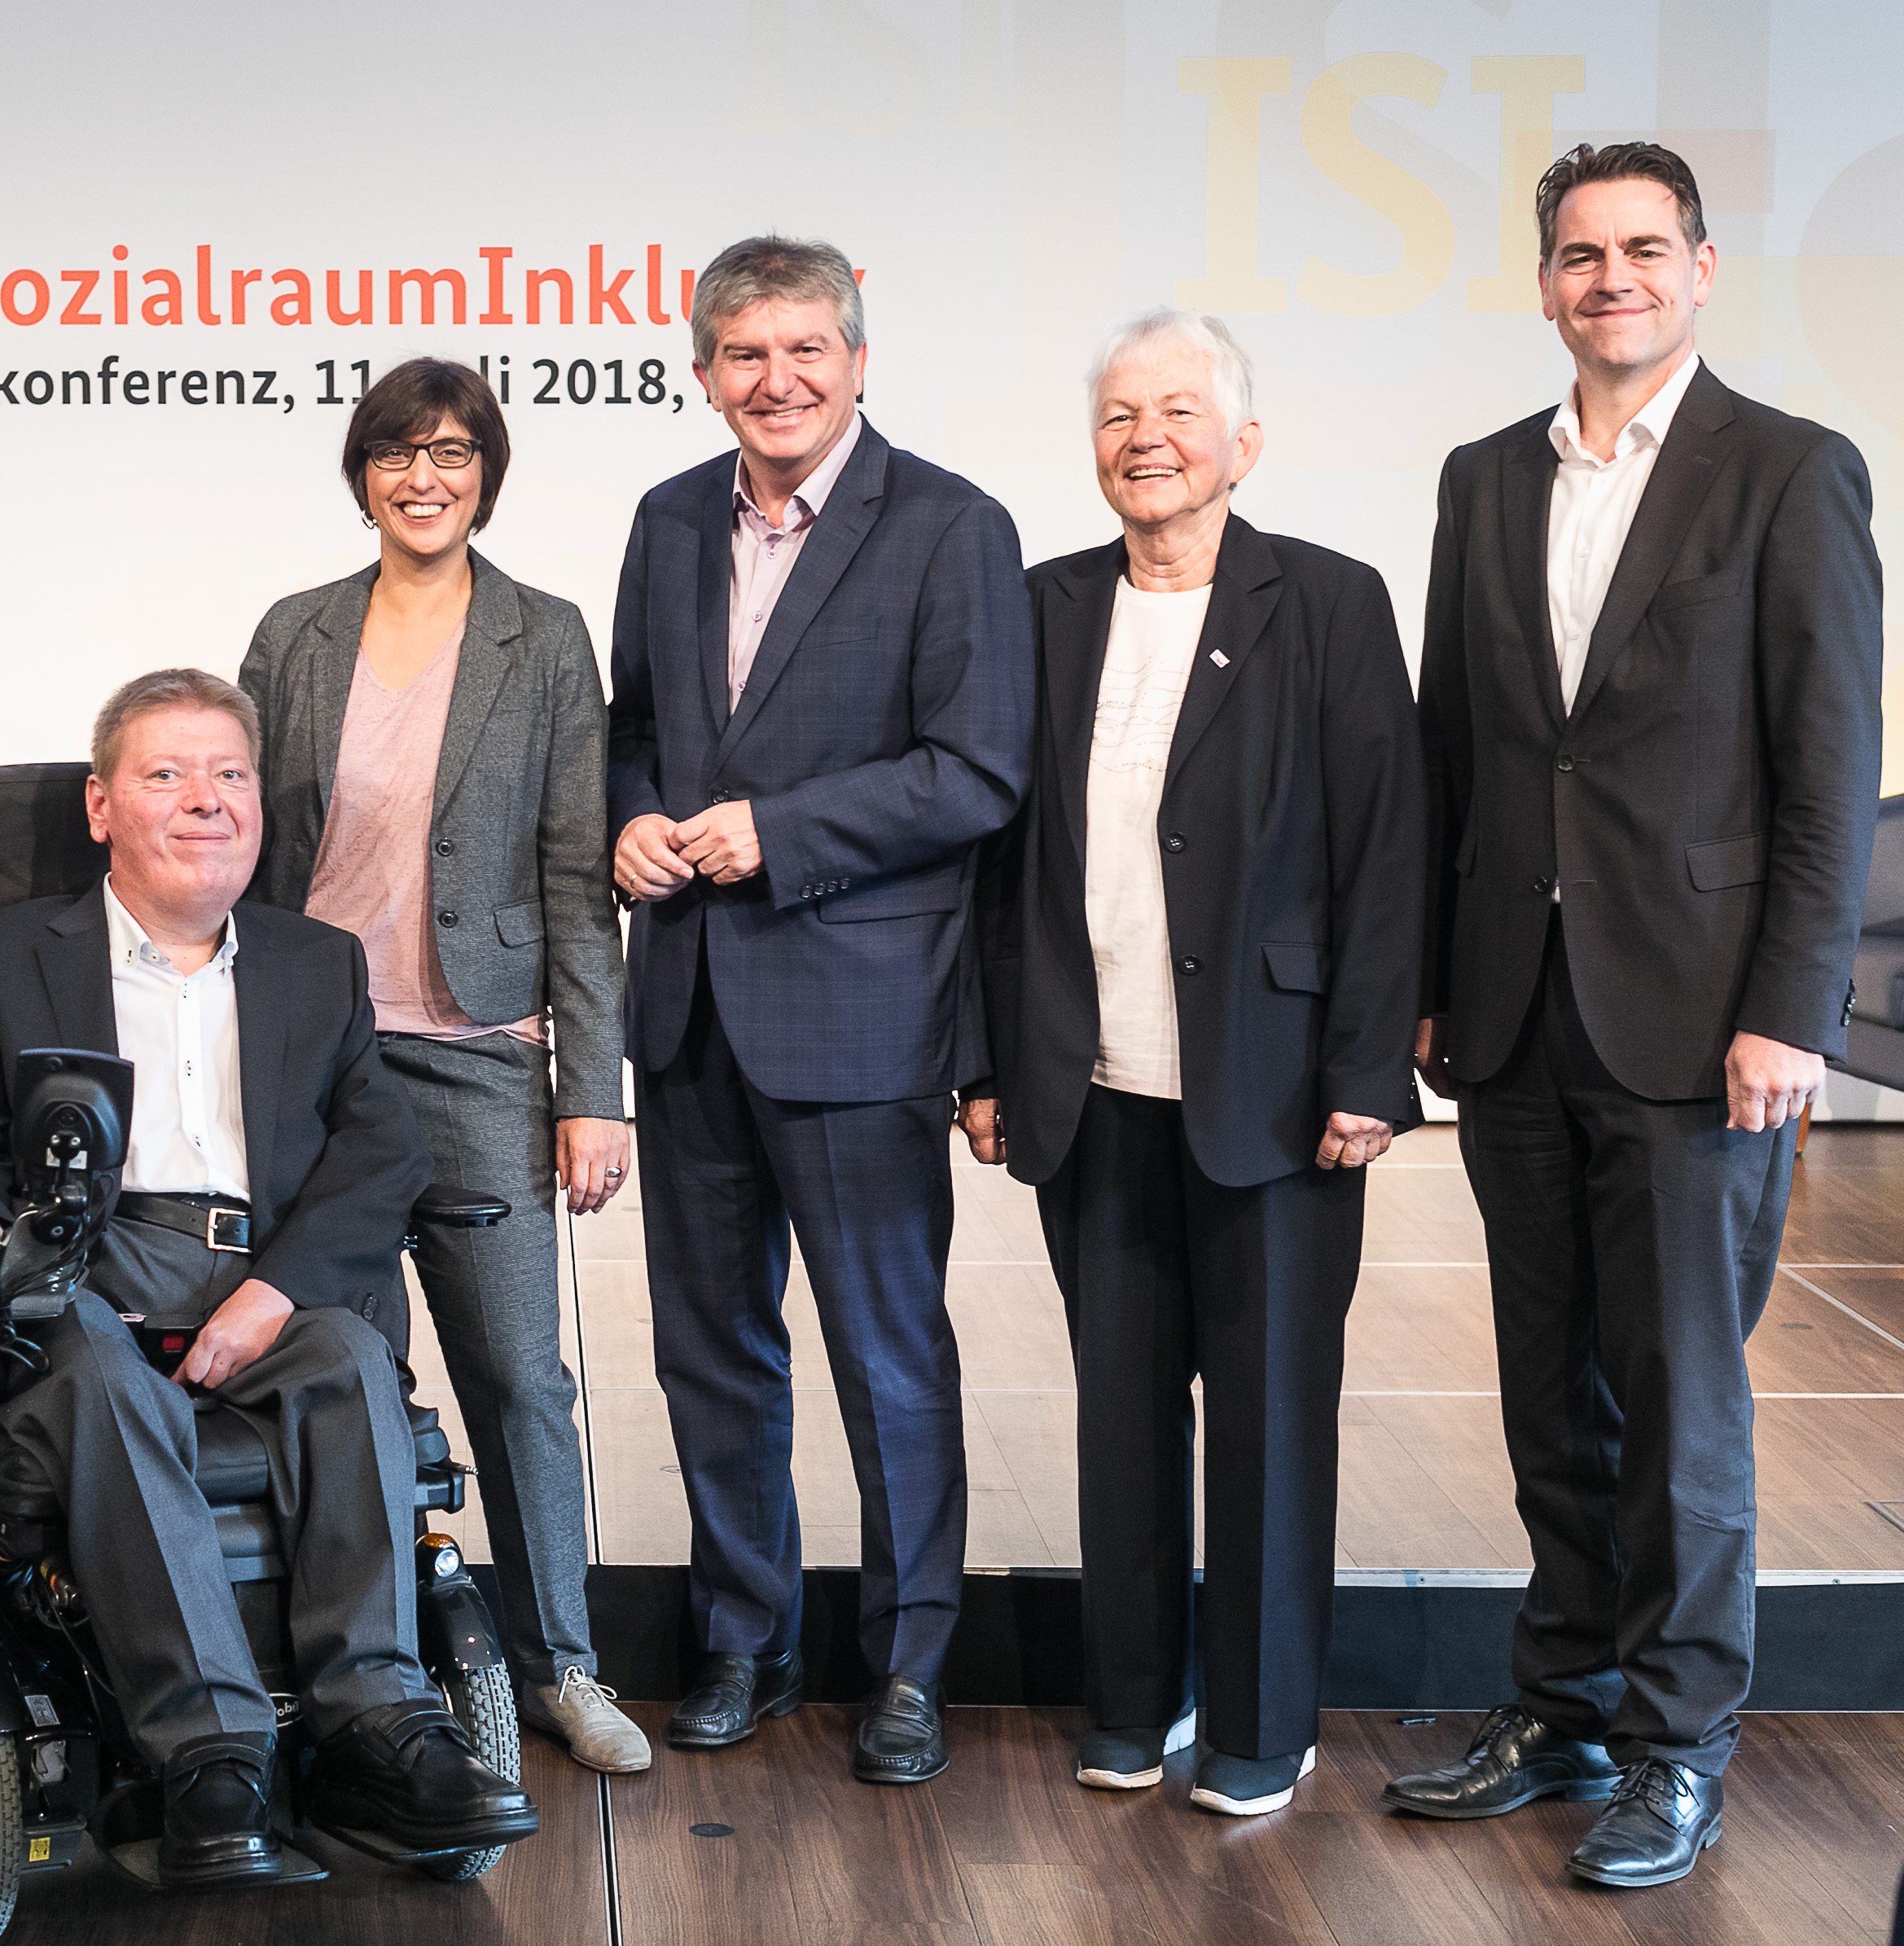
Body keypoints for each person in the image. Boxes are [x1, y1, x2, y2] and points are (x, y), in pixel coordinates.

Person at [1389, 142, 1882, 1887]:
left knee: (1682, 1410)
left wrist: (1790, 1011)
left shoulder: (1790, 474)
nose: (1612, 277)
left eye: (1645, 249)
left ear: (1703, 268)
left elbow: (1832, 776)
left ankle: (1679, 1750)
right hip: (1515, 1020)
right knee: (1554, 1397)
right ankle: (1568, 1698)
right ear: (1544, 284)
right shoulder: (1478, 478)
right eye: (1582, 253)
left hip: (1700, 1025)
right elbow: (1457, 751)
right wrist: (1437, 986)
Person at [0, 670, 541, 1887]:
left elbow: (380, 1147)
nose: (207, 800)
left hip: (261, 1271)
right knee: (101, 1371)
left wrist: (275, 1293)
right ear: (100, 807)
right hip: (81, 1268)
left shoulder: (315, 962)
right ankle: (212, 1754)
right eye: (167, 774)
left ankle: (377, 1722)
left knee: (350, 1359)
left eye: (229, 774)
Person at [959, 310, 1424, 1816]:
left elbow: (1388, 848)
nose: (1143, 436)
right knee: (1120, 1409)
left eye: (1175, 409)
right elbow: (999, 860)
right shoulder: (1042, 605)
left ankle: (1264, 1724)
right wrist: (985, 1057)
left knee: (1274, 1422)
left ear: (1245, 440)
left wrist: (1368, 1071)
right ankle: (1133, 1697)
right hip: (1088, 1088)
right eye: (1115, 413)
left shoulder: (1331, 604)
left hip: (1278, 1091)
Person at [607, 235, 1033, 1782]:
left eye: (805, 350)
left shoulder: (949, 527)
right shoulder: (665, 522)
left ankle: (911, 1662)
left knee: (885, 1351)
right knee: (710, 1349)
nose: (775, 381)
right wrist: (634, 816)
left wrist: (779, 834)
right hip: (693, 1012)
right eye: (743, 355)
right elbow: (636, 730)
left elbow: (976, 769)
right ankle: (744, 1635)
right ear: (704, 370)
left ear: (858, 360)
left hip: (858, 1015)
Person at [235, 358, 644, 1773]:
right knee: (343, 1377)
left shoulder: (546, 638)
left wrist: (593, 1089)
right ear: (363, 475)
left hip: (478, 1060)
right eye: (400, 454)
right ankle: (369, 1673)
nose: (426, 478)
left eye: (453, 453)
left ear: (488, 472)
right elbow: (244, 855)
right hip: (316, 1067)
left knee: (521, 1379)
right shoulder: (293, 637)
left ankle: (561, 1665)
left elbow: (579, 876)